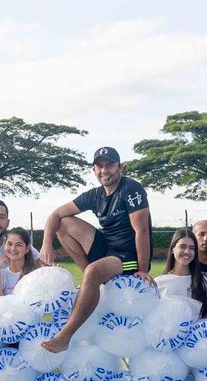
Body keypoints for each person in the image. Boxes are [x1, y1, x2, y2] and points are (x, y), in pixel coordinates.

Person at [40, 147, 152, 352]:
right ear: (94, 170)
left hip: (129, 257)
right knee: (63, 223)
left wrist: (142, 268)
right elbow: (55, 215)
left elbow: (142, 230)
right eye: (99, 166)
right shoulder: (95, 195)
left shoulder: (131, 189)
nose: (104, 170)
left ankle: (65, 336)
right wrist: (46, 243)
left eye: (109, 165)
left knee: (94, 271)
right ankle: (90, 280)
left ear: (121, 167)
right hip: (108, 250)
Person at [155, 228, 205, 308]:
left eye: (192, 248)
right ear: (172, 249)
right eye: (182, 247)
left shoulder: (203, 281)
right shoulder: (159, 282)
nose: (187, 251)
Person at [0, 227, 40, 296]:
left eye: (18, 245)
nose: (13, 249)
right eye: (10, 244)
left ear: (27, 248)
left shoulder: (35, 273)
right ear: (5, 244)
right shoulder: (0, 273)